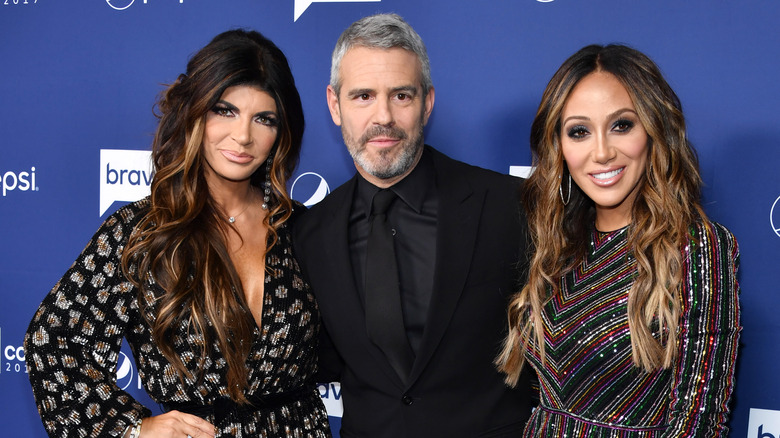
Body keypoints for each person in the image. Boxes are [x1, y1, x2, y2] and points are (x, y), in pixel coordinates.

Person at [24, 29, 331, 438]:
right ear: (195, 112)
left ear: (281, 132)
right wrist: (134, 429)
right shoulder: (143, 233)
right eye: (225, 111)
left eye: (264, 119)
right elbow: (53, 342)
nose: (243, 136)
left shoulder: (303, 228)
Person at [293, 13, 534, 437]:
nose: (382, 116)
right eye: (363, 96)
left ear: (427, 102)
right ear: (334, 105)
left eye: (401, 95)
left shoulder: (510, 205)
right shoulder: (310, 234)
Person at [496, 44, 741, 437]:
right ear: (559, 146)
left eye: (621, 125)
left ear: (654, 129)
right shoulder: (558, 243)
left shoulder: (696, 247)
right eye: (579, 132)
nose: (602, 152)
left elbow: (699, 420)